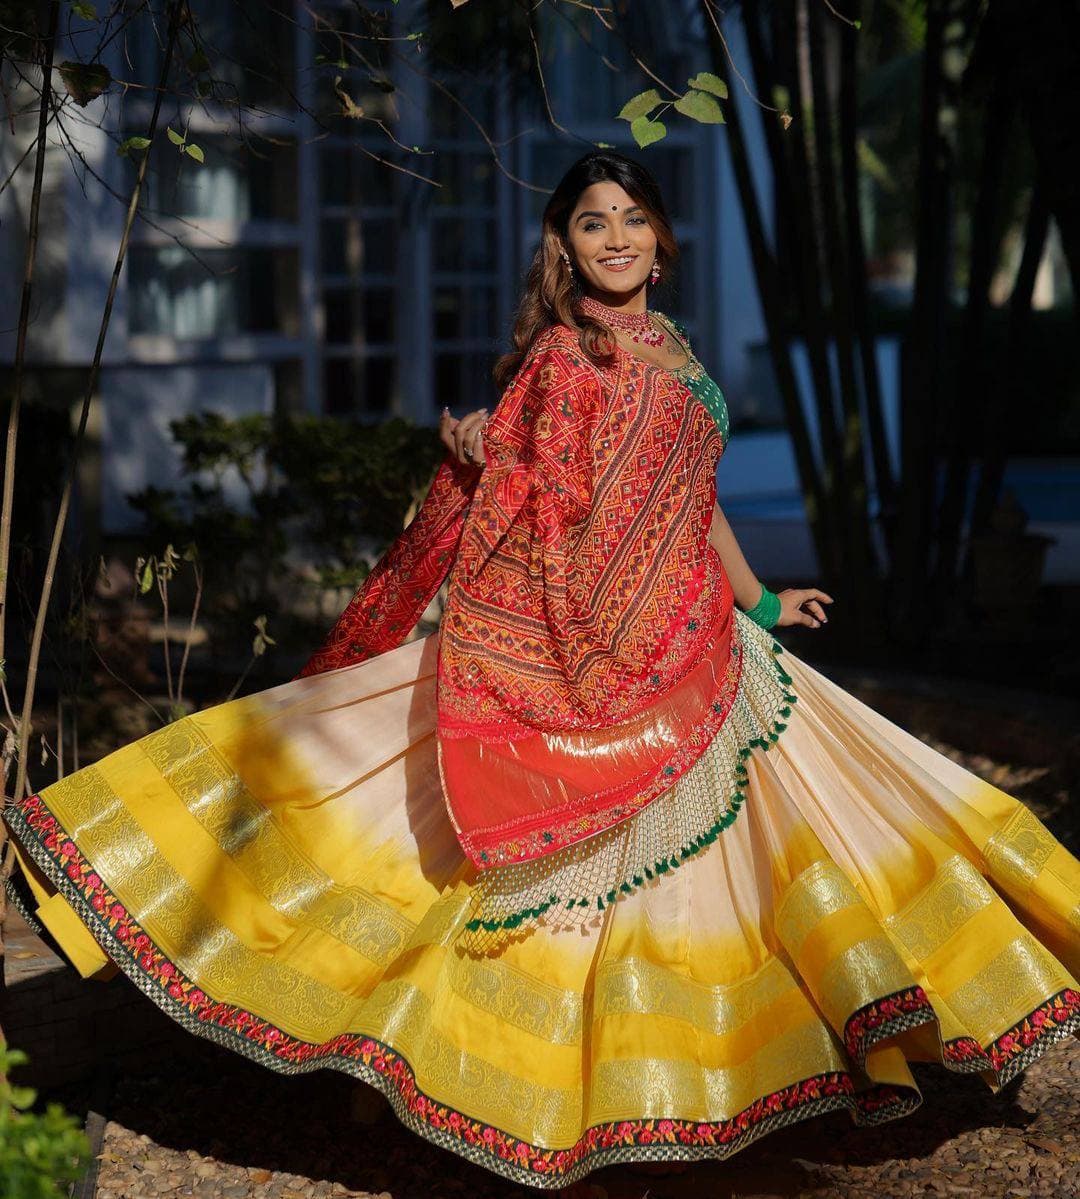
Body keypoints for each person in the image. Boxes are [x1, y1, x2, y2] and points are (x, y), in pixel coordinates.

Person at [5, 151, 1077, 1195]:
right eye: (591, 222)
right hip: (580, 656)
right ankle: (432, 1074)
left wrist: (757, 595)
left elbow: (693, 498)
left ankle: (689, 1080)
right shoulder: (565, 359)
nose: (614, 238)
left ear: (661, 240)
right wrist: (481, 451)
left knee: (766, 861)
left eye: (631, 218)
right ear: (565, 248)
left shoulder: (677, 352)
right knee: (463, 848)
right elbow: (537, 495)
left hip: (699, 642)